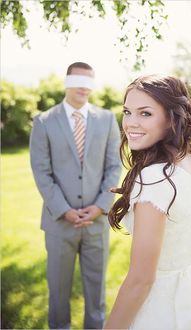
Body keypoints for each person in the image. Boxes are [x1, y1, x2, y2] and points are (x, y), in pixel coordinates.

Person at [104, 75, 191, 330]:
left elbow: (141, 279)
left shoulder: (156, 178)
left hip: (156, 309)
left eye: (145, 113)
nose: (131, 123)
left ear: (171, 118)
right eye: (127, 112)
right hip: (188, 301)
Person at [30, 62, 121, 329]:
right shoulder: (44, 121)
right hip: (59, 223)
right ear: (67, 82)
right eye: (78, 80)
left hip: (97, 223)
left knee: (97, 292)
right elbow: (41, 171)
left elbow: (114, 166)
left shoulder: (107, 120)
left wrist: (101, 206)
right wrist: (65, 210)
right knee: (58, 292)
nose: (84, 86)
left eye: (89, 81)